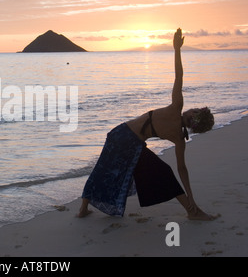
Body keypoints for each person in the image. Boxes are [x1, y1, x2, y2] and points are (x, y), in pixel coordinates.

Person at [78, 28, 218, 221]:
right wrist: (191, 195)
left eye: (195, 111)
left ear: (194, 115)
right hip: (125, 138)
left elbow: (179, 76)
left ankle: (83, 209)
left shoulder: (177, 108)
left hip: (124, 136)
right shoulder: (179, 136)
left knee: (104, 169)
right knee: (109, 170)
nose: (192, 110)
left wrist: (177, 49)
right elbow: (182, 169)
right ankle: (192, 210)